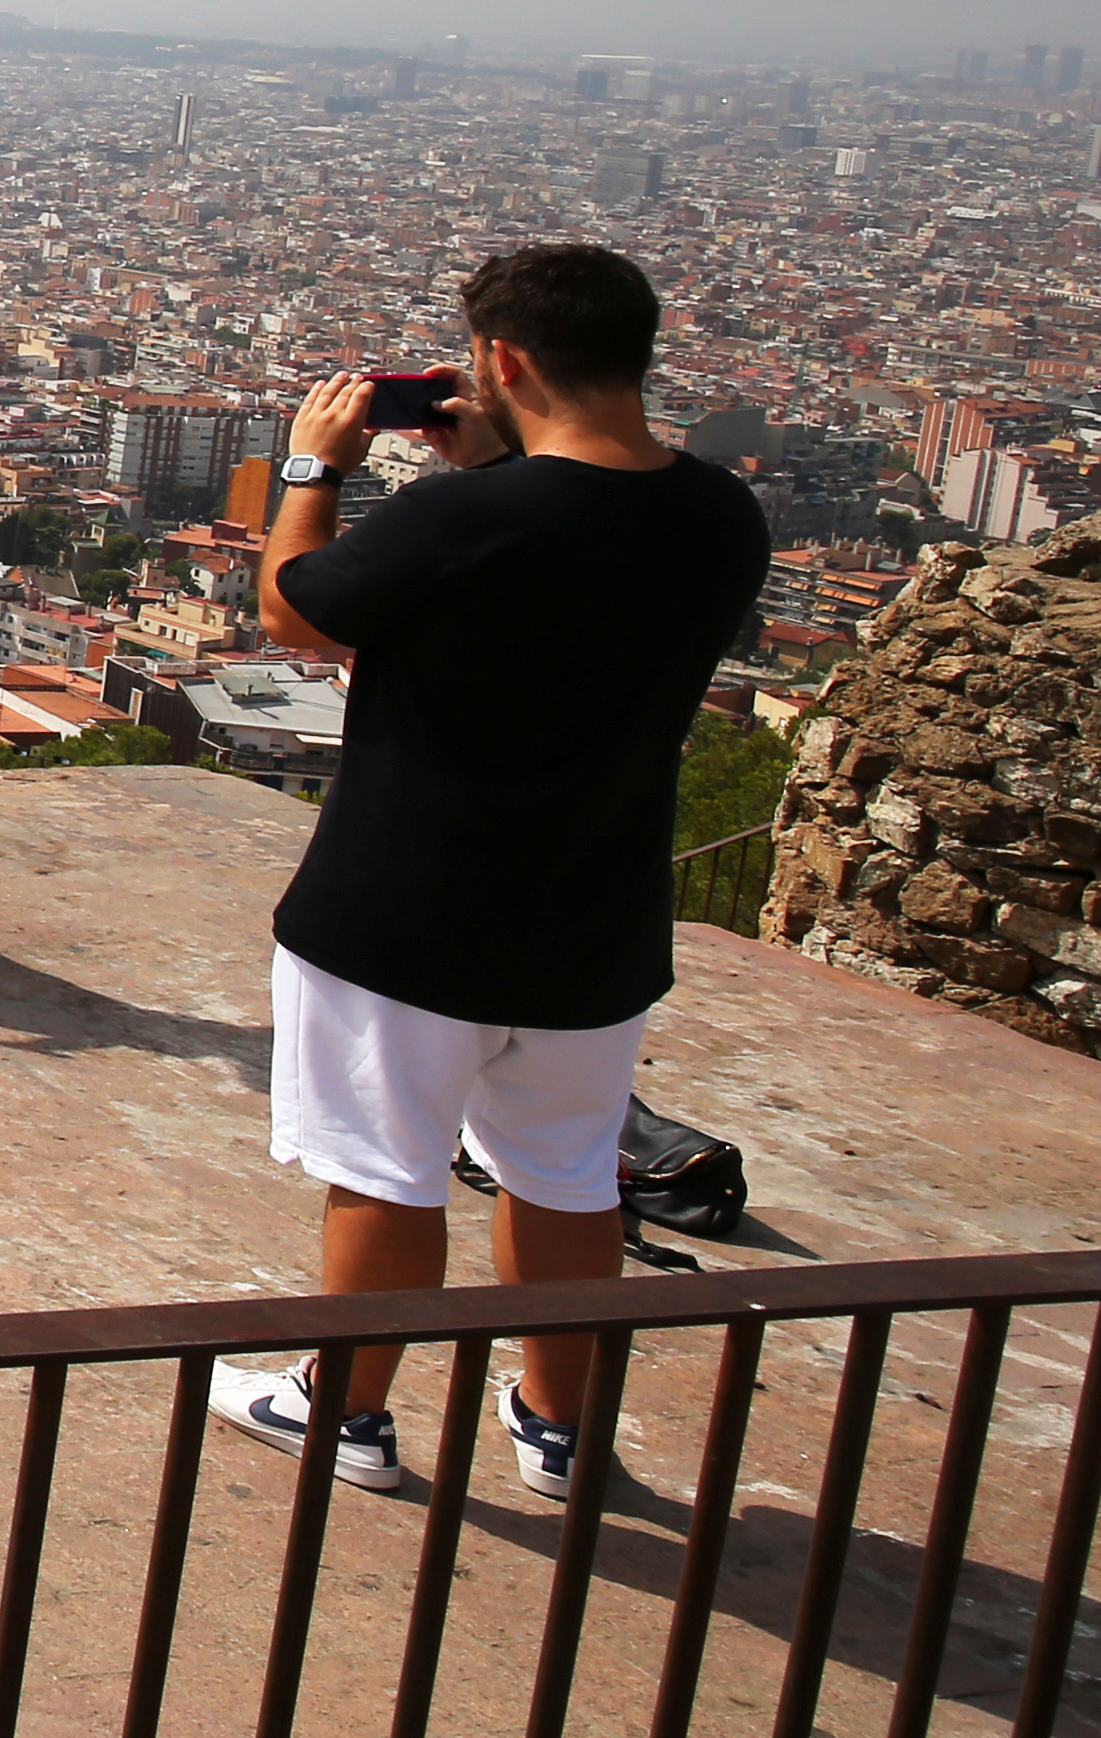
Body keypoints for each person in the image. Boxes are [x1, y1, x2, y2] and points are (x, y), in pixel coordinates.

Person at [207, 245, 767, 1500]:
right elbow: (576, 555)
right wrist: (502, 461)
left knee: (387, 1175)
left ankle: (341, 1411)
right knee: (566, 1179)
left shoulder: (464, 519)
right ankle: (559, 1431)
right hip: (596, 913)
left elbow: (297, 608)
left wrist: (315, 467)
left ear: (503, 361)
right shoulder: (723, 513)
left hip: (406, 909)